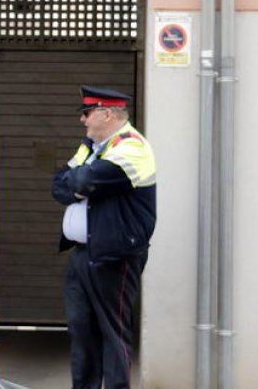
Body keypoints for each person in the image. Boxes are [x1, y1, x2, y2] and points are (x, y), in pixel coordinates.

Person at [51, 86, 157, 389]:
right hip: (83, 254)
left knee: (113, 333)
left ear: (107, 113)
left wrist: (79, 181)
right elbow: (58, 185)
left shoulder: (132, 146)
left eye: (86, 113)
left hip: (114, 254)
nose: (82, 121)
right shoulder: (92, 147)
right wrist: (78, 183)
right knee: (82, 331)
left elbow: (84, 178)